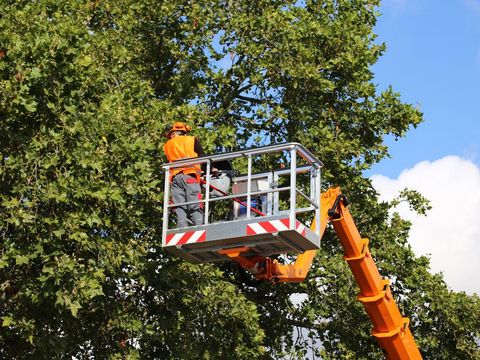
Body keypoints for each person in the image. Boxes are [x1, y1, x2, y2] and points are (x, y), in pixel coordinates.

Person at [163, 122, 205, 228]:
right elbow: (202, 156)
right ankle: (199, 224)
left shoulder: (168, 145)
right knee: (194, 199)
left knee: (178, 203)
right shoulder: (191, 140)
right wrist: (207, 170)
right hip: (189, 174)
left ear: (173, 133)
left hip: (175, 178)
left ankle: (182, 225)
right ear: (184, 133)